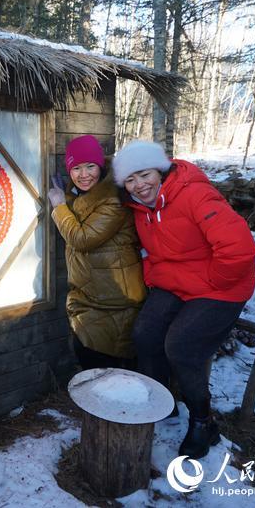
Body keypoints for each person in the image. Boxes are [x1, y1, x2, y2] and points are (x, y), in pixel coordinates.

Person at [112, 140, 255, 459]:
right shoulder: (140, 208)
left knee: (181, 346)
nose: (140, 185)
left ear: (160, 170)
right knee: (145, 333)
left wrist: (214, 282)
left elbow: (239, 249)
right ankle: (160, 402)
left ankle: (204, 423)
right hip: (178, 283)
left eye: (144, 174)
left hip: (223, 286)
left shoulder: (193, 194)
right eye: (130, 180)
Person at [48, 135, 145, 370]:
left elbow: (83, 239)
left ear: (100, 166)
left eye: (90, 166)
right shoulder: (82, 194)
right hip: (94, 296)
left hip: (115, 299)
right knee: (93, 360)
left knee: (106, 366)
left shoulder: (113, 199)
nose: (84, 175)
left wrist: (60, 207)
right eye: (77, 168)